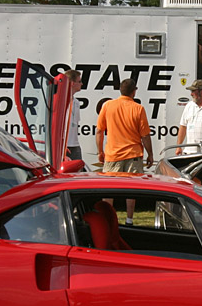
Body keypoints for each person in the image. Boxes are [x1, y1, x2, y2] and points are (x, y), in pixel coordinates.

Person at [96, 79, 153, 225]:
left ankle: (106, 219)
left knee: (108, 190)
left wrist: (100, 151)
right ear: (134, 91)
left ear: (120, 90)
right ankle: (129, 219)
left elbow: (99, 131)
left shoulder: (108, 105)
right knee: (131, 190)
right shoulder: (138, 108)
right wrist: (150, 154)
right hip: (133, 154)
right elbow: (145, 135)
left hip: (112, 154)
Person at [175, 80, 202, 155]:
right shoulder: (189, 106)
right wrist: (179, 146)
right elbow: (183, 126)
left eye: (193, 91)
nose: (191, 94)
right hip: (189, 152)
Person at [63, 69, 84, 163]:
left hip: (75, 145)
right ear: (72, 83)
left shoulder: (76, 102)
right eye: (79, 81)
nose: (82, 84)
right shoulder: (60, 102)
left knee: (78, 174)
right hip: (64, 146)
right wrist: (61, 148)